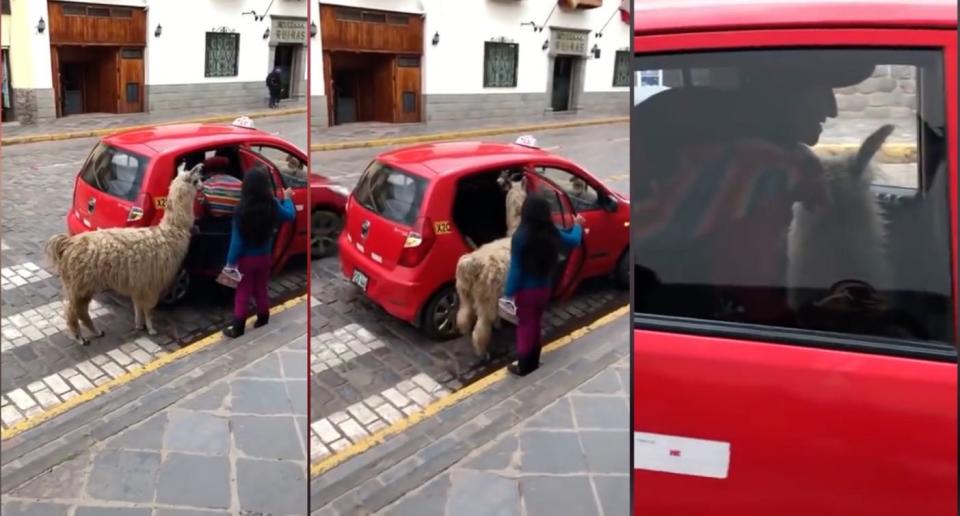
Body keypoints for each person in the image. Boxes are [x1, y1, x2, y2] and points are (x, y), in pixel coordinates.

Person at [503, 194, 585, 376]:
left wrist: (507, 293)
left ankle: (524, 366)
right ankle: (534, 360)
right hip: (545, 288)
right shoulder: (552, 231)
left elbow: (516, 269)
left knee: (525, 325)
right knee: (536, 322)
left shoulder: (520, 237)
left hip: (525, 291)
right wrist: (578, 225)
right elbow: (574, 240)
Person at [222, 165, 296, 338]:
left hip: (245, 261)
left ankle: (238, 326)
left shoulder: (241, 211)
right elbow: (290, 216)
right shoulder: (273, 205)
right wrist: (287, 198)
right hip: (264, 257)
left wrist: (229, 264)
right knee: (261, 288)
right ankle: (263, 316)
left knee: (243, 291)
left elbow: (236, 243)